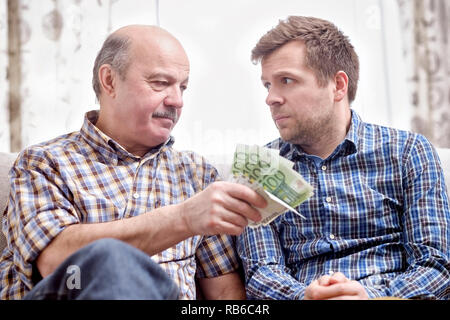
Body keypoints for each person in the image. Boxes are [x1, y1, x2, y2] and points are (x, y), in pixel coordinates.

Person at [0, 25, 267, 300]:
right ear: (110, 81)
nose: (177, 100)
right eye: (160, 83)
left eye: (183, 87)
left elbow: (224, 293)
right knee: (109, 257)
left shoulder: (197, 175)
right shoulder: (43, 163)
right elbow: (56, 262)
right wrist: (184, 218)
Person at [237, 16, 450, 300]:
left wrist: (372, 298)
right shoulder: (262, 167)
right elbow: (261, 272)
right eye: (267, 85)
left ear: (338, 85)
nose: (271, 98)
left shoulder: (408, 151)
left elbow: (436, 265)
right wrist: (306, 297)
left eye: (286, 80)